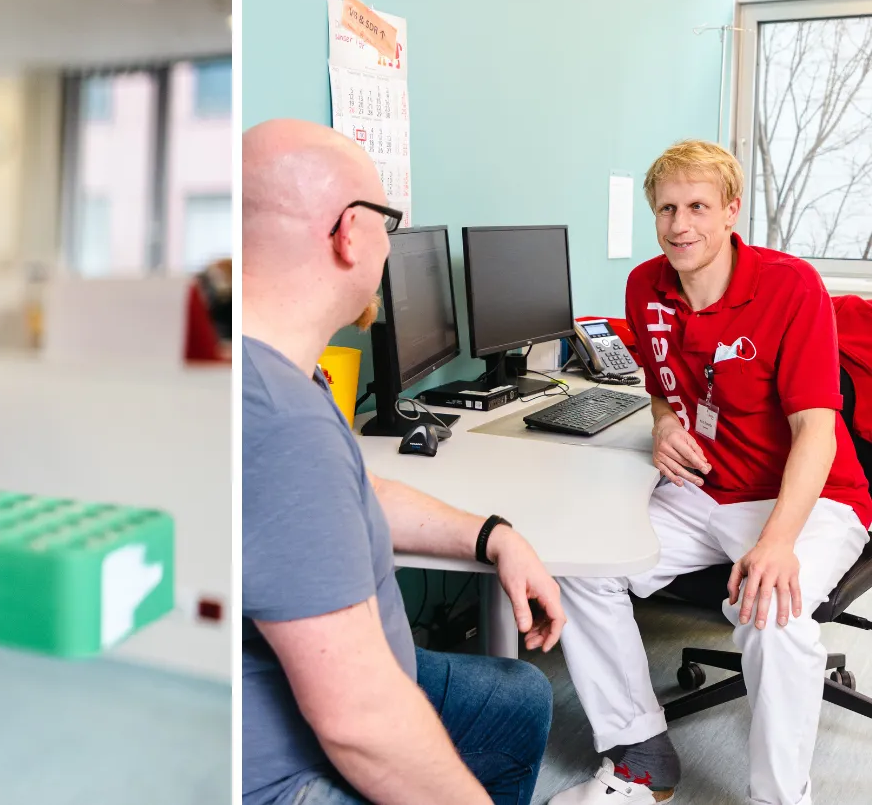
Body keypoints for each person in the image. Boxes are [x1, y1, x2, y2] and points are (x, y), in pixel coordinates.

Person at [241, 118, 567, 805]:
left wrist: (491, 534)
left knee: (519, 700)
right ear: (350, 233)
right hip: (293, 772)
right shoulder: (276, 419)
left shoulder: (284, 374)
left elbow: (354, 493)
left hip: (354, 689)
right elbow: (360, 724)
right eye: (388, 223)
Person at [549, 141, 872, 805]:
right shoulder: (646, 286)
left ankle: (779, 799)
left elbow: (815, 430)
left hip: (809, 499)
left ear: (731, 210)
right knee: (576, 562)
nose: (680, 225)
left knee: (774, 616)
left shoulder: (790, 287)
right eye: (667, 208)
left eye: (697, 206)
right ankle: (640, 758)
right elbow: (667, 385)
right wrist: (666, 421)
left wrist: (777, 542)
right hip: (705, 492)